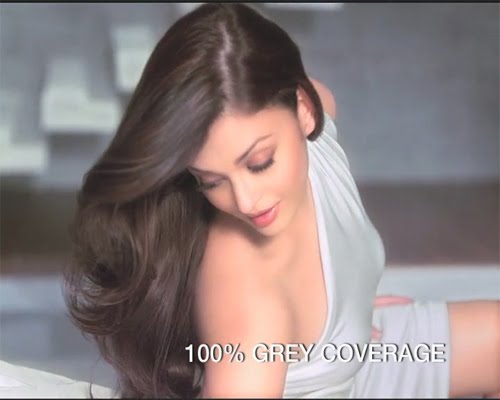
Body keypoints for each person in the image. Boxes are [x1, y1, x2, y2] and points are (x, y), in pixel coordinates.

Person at [63, 3, 499, 399]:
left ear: (303, 110)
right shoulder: (249, 303)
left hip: (363, 354)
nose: (245, 201)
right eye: (210, 181)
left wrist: (348, 310)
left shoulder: (319, 112)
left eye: (259, 163)